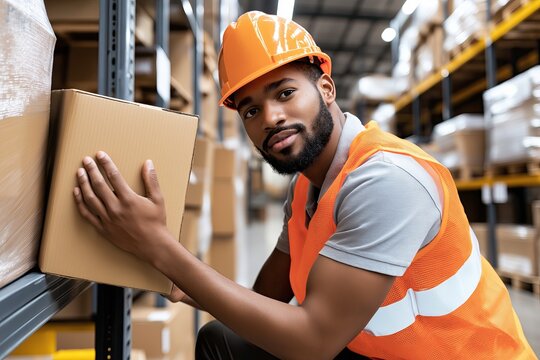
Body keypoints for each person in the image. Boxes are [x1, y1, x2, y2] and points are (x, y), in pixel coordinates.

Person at [73, 11, 535, 360]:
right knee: (223, 342)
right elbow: (266, 301)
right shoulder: (306, 190)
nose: (270, 117)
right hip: (380, 353)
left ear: (327, 89)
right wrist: (179, 278)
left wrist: (159, 247)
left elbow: (313, 341)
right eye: (251, 109)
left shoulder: (386, 179)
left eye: (285, 92)